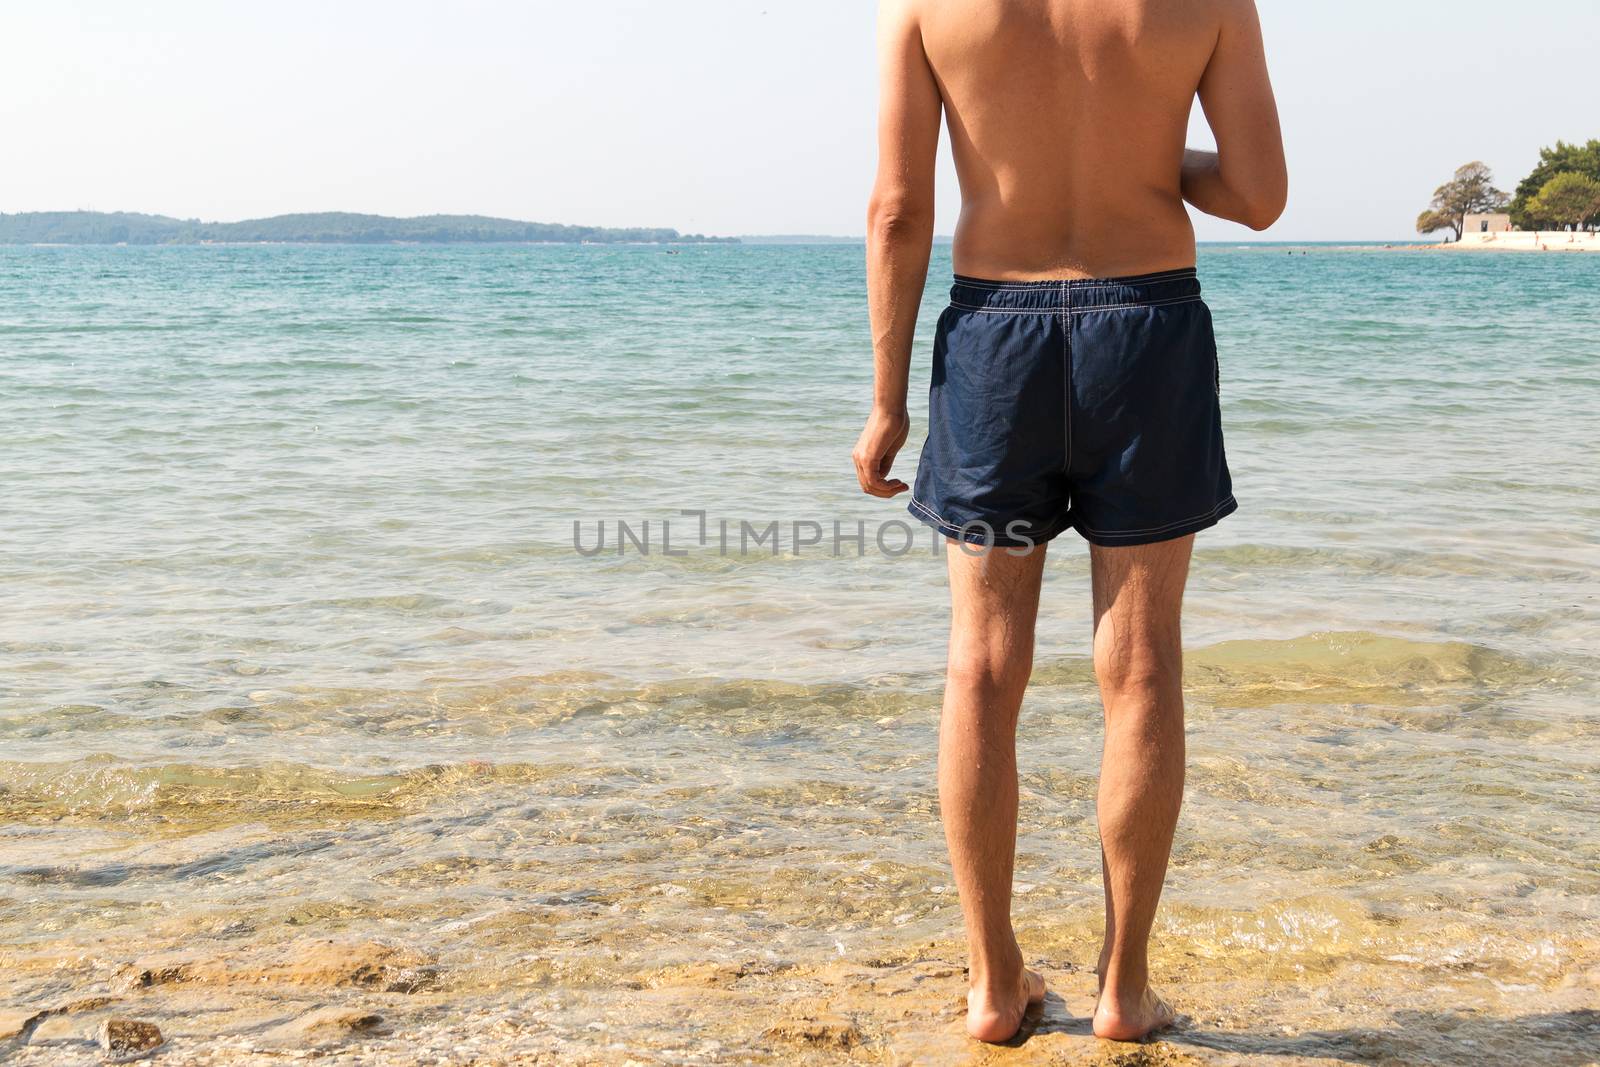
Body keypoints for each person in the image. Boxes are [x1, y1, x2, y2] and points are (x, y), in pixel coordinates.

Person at [851, 0, 1286, 1045]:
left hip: (993, 340)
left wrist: (886, 398)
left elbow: (897, 209)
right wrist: (1146, 149)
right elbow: (1259, 196)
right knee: (1139, 666)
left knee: (980, 666)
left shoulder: (923, 4)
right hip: (1144, 331)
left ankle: (993, 982)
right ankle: (1123, 989)